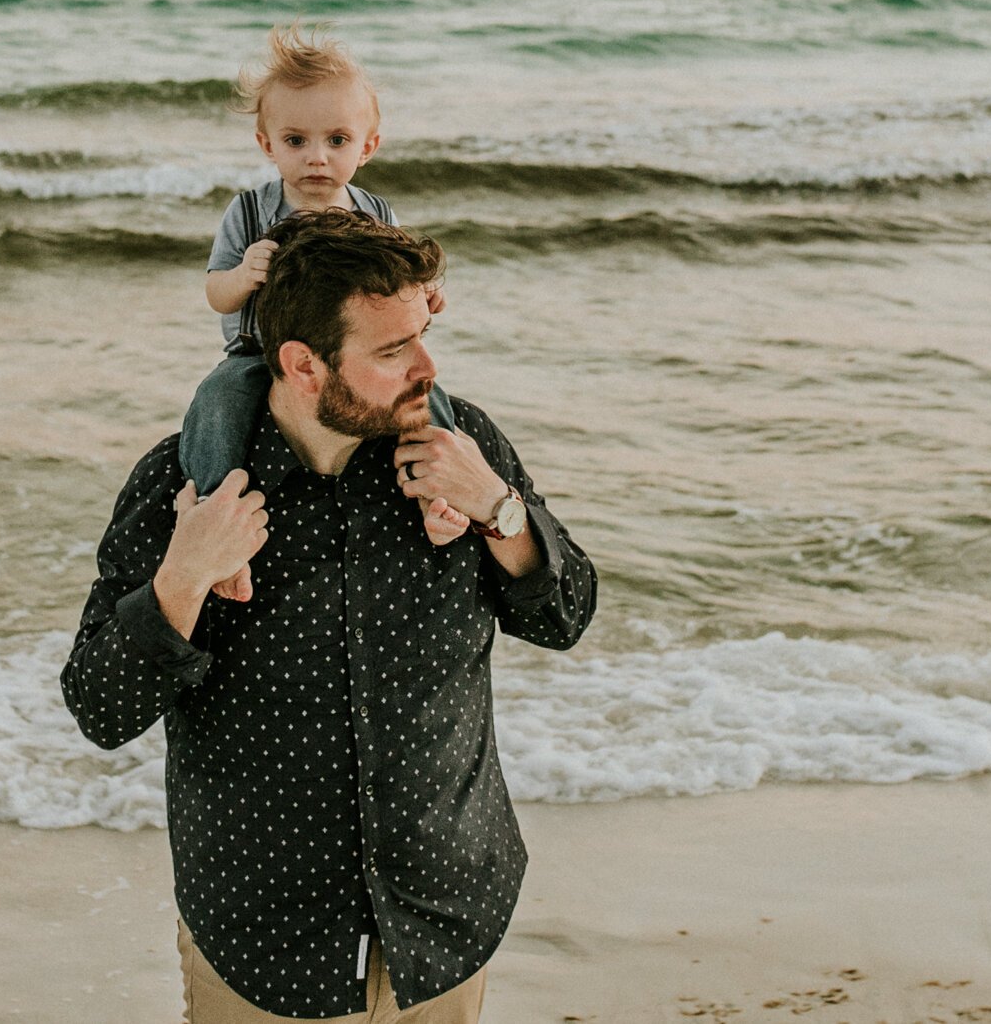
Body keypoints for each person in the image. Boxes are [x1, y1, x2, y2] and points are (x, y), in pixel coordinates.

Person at [60, 210, 599, 1023]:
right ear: (303, 364)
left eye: (422, 333)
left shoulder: (464, 449)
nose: (428, 365)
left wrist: (499, 507)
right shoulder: (186, 483)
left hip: (444, 921)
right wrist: (183, 577)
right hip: (264, 943)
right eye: (392, 350)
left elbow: (566, 615)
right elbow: (100, 709)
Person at [185, 24, 463, 603]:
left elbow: (396, 285)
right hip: (260, 353)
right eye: (296, 141)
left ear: (368, 147)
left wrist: (423, 298)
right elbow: (215, 293)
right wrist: (245, 277)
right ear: (267, 145)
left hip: (350, 357)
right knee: (216, 404)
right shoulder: (249, 212)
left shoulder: (373, 211)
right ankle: (218, 530)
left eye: (337, 140)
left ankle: (442, 495)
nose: (316, 158)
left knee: (427, 394)